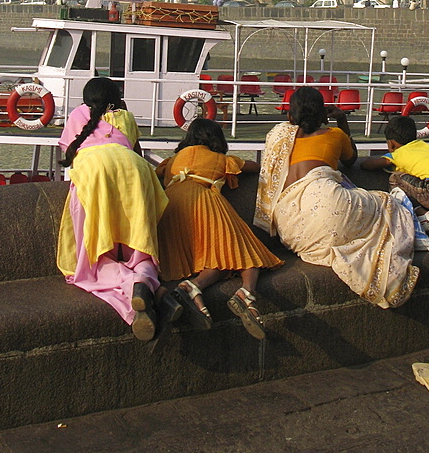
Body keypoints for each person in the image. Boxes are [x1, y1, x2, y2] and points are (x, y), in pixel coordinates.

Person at [254, 87, 418, 309]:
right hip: (330, 205)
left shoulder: (278, 137)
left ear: (290, 116)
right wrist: (341, 119)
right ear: (324, 114)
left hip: (290, 228)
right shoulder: (334, 134)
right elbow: (351, 159)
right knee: (388, 204)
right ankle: (423, 223)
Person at [56, 77, 179, 341]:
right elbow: (137, 151)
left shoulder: (78, 114)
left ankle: (133, 284)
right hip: (134, 171)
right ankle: (151, 286)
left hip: (96, 174)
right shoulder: (126, 117)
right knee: (140, 252)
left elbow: (70, 153)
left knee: (93, 261)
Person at [155, 117, 281, 338]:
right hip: (201, 200)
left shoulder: (171, 161)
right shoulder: (220, 159)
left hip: (168, 207)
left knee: (208, 259)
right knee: (243, 249)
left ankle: (192, 288)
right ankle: (247, 293)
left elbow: (154, 175)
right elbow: (252, 167)